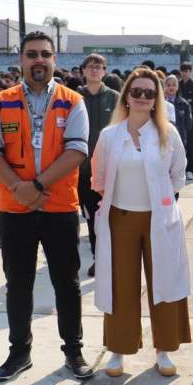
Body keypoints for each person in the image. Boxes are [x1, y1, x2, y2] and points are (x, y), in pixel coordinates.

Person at [0, 31, 93, 381]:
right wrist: (19, 188)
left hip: (59, 208)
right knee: (18, 284)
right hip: (17, 211)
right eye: (32, 54)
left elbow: (77, 151)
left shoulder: (72, 100)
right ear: (21, 60)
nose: (39, 60)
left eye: (45, 54)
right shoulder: (1, 101)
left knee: (66, 282)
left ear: (54, 59)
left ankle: (73, 352)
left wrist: (38, 185)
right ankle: (19, 352)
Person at [90, 68, 191, 378]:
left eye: (150, 93)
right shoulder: (110, 135)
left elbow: (178, 175)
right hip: (121, 219)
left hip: (160, 219)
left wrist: (161, 202)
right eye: (137, 92)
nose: (143, 97)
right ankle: (119, 351)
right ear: (127, 97)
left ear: (157, 98)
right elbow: (99, 178)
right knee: (121, 286)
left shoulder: (167, 133)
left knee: (164, 282)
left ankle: (164, 350)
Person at [77, 54, 119, 278]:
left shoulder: (115, 98)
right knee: (75, 217)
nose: (93, 70)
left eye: (98, 66)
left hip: (104, 170)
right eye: (89, 66)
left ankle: (99, 258)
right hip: (76, 169)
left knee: (98, 218)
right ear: (83, 71)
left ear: (104, 71)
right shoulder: (74, 97)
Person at [165, 75, 192, 153]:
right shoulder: (160, 103)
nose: (171, 87)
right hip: (163, 138)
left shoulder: (184, 104)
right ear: (164, 86)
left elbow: (189, 124)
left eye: (174, 85)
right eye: (168, 85)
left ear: (177, 87)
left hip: (179, 138)